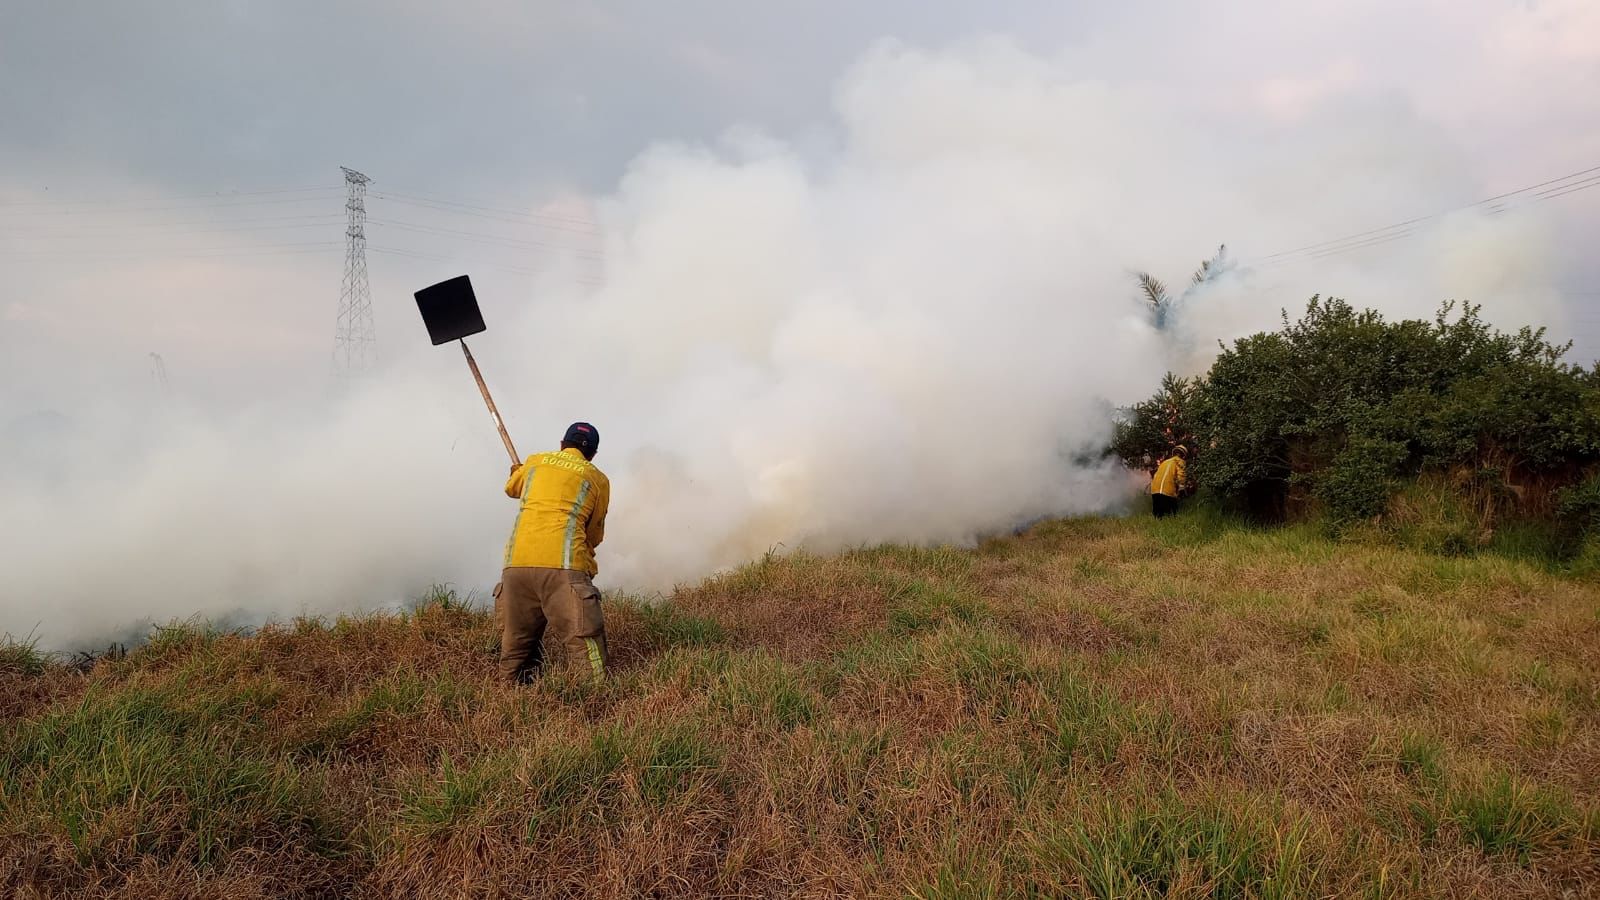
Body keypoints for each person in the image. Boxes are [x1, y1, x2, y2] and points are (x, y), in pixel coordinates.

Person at [494, 422, 611, 683]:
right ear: (592, 454)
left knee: (515, 647)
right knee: (584, 645)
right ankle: (598, 705)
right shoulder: (596, 478)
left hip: (516, 567)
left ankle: (510, 702)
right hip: (564, 568)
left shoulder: (535, 463)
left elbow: (512, 487)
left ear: (561, 445)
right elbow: (594, 531)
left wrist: (518, 471)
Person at [1150, 445, 1187, 518]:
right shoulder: (1180, 461)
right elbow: (1181, 475)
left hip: (1155, 490)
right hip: (1167, 491)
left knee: (1157, 515)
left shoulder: (1164, 462)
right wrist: (1182, 488)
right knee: (1172, 514)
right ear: (1183, 455)